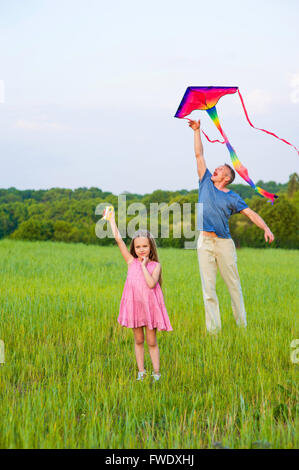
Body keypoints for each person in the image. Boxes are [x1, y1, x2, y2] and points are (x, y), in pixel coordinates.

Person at [189, 119, 274, 333]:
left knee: (233, 286)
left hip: (224, 244)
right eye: (215, 169)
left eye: (219, 170)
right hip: (204, 242)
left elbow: (250, 213)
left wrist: (265, 228)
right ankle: (214, 332)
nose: (214, 170)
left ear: (226, 178)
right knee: (208, 290)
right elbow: (199, 155)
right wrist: (197, 131)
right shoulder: (205, 181)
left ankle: (242, 327)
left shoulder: (233, 197)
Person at [107, 210, 172, 382]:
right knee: (138, 340)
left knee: (151, 342)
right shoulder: (130, 262)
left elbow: (151, 284)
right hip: (135, 308)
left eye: (144, 246)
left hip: (149, 309)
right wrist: (112, 220)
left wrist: (144, 266)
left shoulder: (155, 266)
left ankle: (156, 373)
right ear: (133, 249)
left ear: (150, 247)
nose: (141, 250)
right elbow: (119, 240)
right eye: (137, 247)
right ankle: (141, 372)